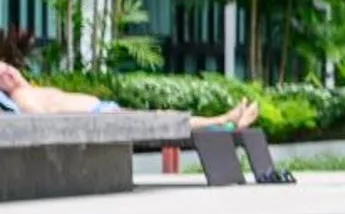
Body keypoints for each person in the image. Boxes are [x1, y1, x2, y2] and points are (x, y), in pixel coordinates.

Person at [0, 60, 258, 129]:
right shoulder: (23, 97)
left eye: (9, 68)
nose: (11, 74)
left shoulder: (30, 88)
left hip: (102, 110)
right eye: (4, 76)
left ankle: (225, 122)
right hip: (98, 117)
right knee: (161, 118)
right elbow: (40, 118)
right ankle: (224, 120)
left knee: (160, 117)